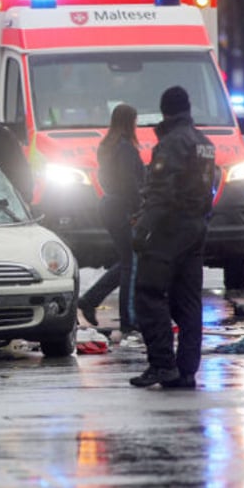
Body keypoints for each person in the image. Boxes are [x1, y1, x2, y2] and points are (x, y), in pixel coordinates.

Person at [129, 86, 215, 389]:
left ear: (165, 111)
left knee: (149, 294)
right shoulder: (205, 143)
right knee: (189, 302)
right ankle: (187, 370)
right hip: (196, 228)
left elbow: (160, 193)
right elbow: (210, 187)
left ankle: (162, 365)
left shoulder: (171, 143)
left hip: (168, 229)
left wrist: (143, 229)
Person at [77, 104, 144, 335]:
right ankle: (129, 319)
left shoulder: (108, 145)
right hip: (124, 207)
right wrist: (138, 210)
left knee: (126, 261)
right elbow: (130, 183)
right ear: (128, 122)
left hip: (110, 205)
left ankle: (90, 300)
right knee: (132, 265)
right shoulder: (125, 148)